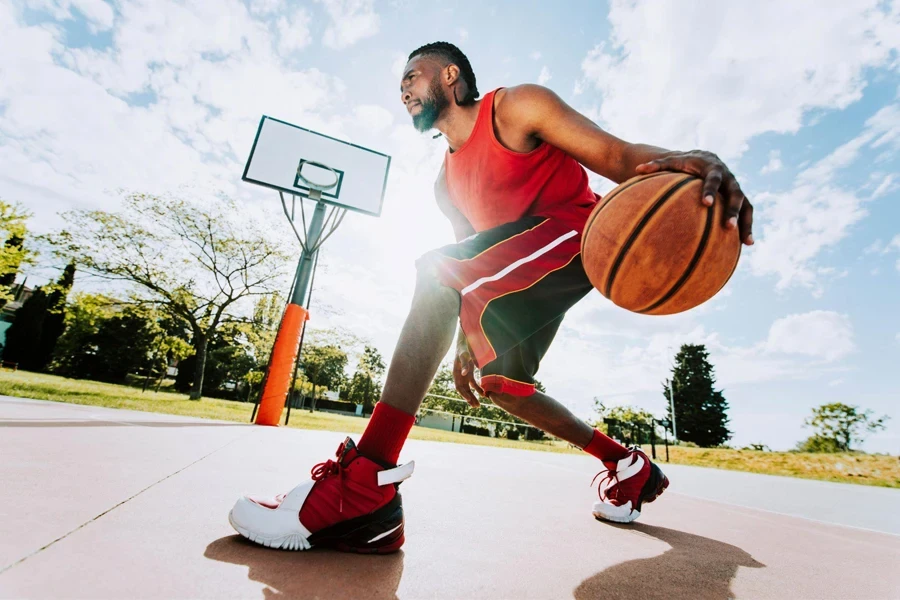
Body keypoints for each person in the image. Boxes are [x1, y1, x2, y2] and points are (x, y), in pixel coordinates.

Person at [228, 42, 754, 553]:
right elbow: (476, 258)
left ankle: (365, 484)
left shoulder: (515, 107)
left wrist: (687, 160)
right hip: (526, 262)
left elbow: (615, 155)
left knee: (436, 270)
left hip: (581, 235)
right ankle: (627, 465)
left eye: (412, 77)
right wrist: (463, 347)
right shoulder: (445, 185)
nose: (404, 91)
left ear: (450, 75)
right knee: (502, 385)